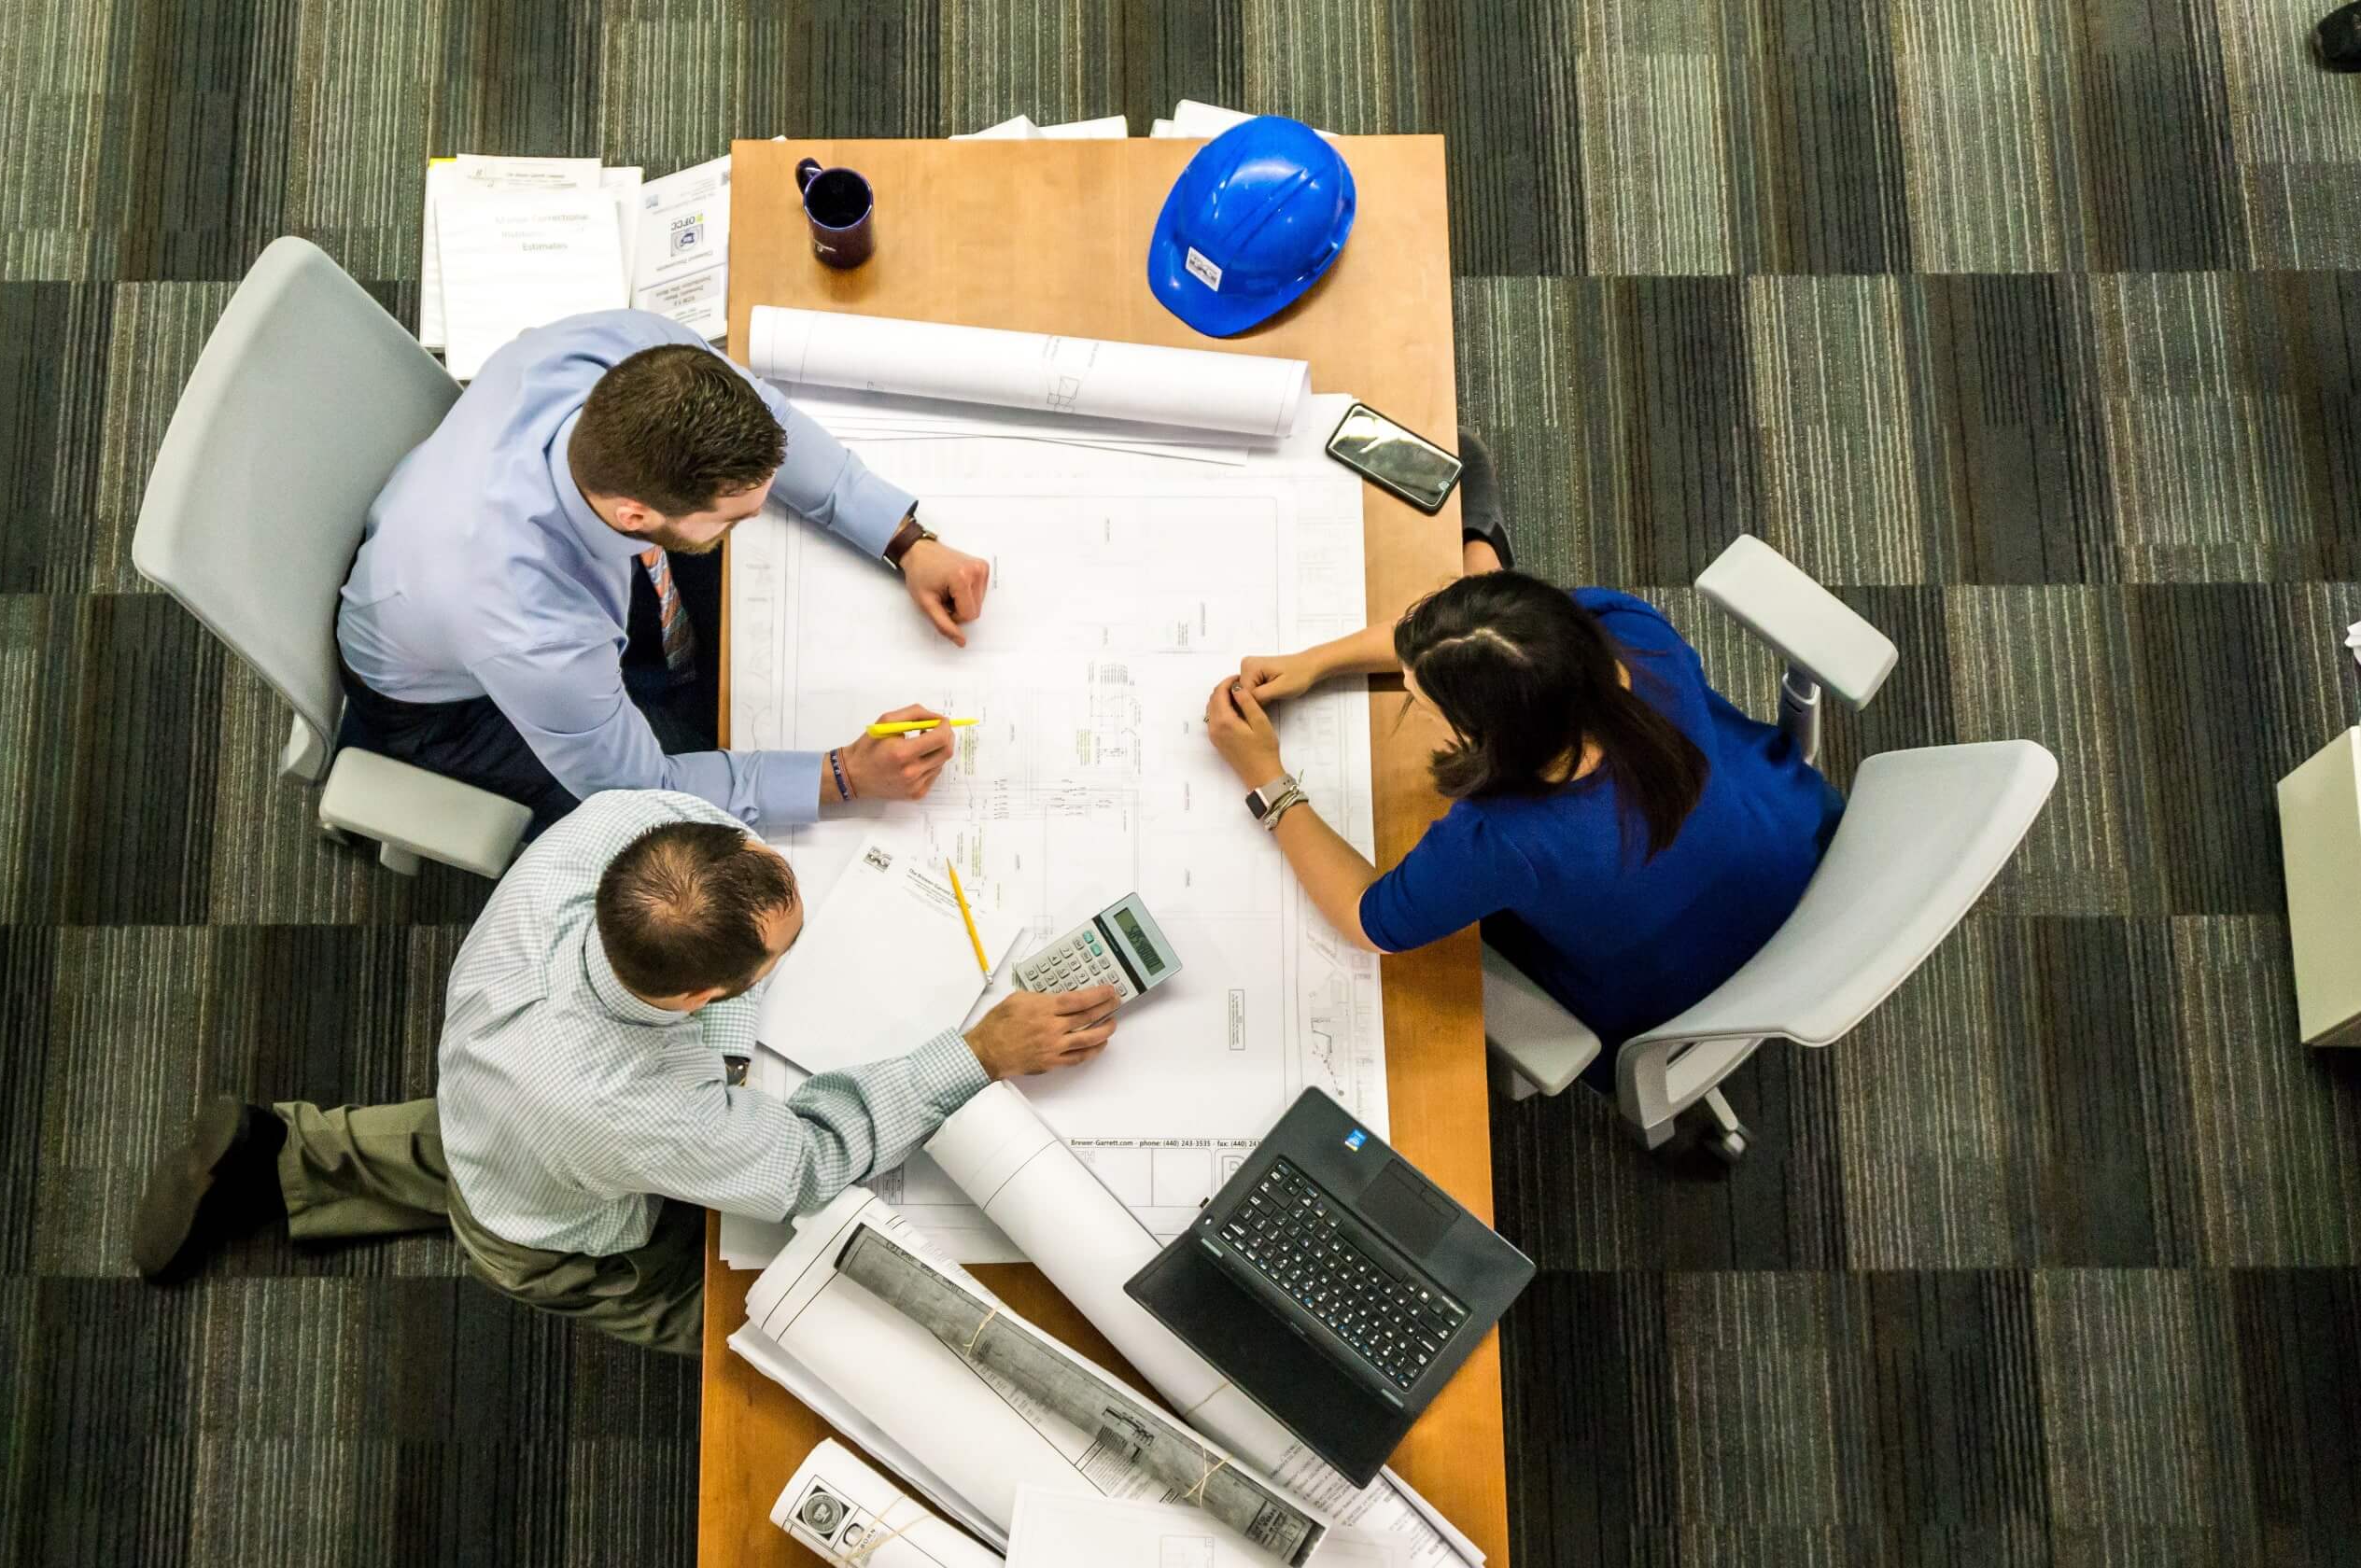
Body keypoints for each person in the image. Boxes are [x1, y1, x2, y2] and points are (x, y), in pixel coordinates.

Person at [130, 790, 1119, 1354]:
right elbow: (806, 1165)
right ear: (698, 996)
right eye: (776, 958)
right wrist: (976, 1052)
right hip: (555, 1228)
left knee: (486, 1139)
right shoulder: (634, 1109)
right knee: (756, 1314)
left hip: (496, 1092)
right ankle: (770, 1336)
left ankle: (284, 1153)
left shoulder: (620, 832)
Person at [1198, 439, 1840, 1093]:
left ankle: (1483, 540)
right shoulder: (1622, 628)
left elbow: (1372, 922)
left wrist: (1266, 778)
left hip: (1680, 989)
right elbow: (1471, 638)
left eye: (1421, 701)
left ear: (1489, 737)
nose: (1410, 702)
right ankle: (1485, 543)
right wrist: (1318, 661)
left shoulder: (1503, 841)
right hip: (1793, 840)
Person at [336, 308, 997, 835]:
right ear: (634, 514)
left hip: (460, 553)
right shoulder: (531, 627)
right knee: (694, 833)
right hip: (449, 707)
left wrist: (903, 539)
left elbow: (772, 421)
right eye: (735, 515)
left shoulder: (628, 349)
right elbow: (640, 789)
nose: (759, 515)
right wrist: (843, 776)